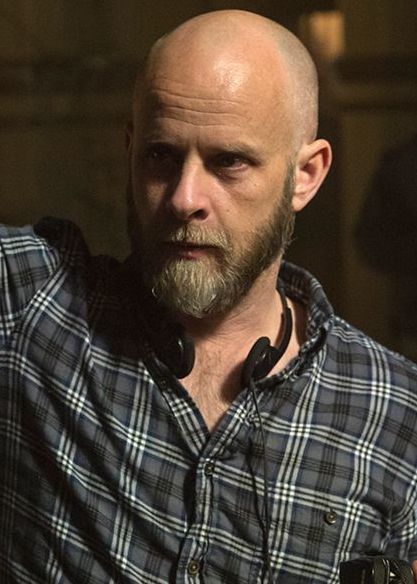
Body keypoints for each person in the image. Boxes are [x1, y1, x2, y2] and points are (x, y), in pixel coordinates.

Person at [1, 9, 416, 584]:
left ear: (306, 175)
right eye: (160, 156)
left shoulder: (396, 414)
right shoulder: (36, 302)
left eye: (228, 162)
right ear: (130, 150)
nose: (184, 198)